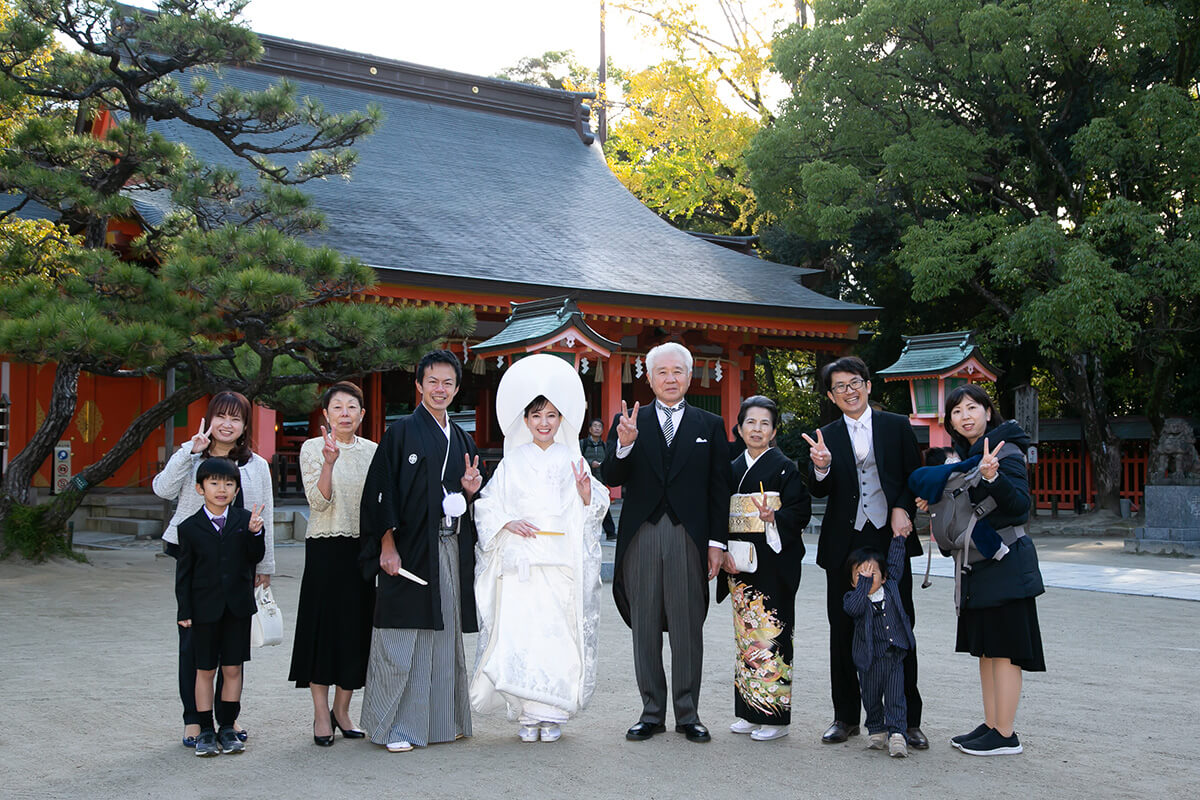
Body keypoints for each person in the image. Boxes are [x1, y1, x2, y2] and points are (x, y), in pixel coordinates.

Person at [471, 354, 608, 743]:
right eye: (536, 416)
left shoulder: (572, 458)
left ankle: (553, 713)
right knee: (523, 636)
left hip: (560, 563)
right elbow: (488, 503)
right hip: (522, 563)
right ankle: (527, 715)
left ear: (561, 419)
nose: (544, 423)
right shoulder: (513, 461)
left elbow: (594, 506)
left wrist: (585, 495)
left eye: (550, 415)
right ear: (525, 421)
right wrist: (506, 522)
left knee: (556, 636)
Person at [602, 342, 731, 743]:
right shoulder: (629, 420)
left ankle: (688, 712)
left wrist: (716, 542)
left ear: (690, 377)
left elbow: (719, 489)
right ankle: (651, 711)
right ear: (649, 377)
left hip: (688, 536)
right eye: (662, 372)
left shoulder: (709, 425)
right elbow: (611, 475)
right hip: (642, 532)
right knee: (644, 624)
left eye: (678, 371)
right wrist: (624, 443)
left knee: (687, 624)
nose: (670, 378)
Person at [358, 350, 484, 753]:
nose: (440, 389)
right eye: (433, 381)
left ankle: (439, 722)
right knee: (401, 636)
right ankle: (393, 726)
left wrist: (469, 490)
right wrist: (387, 545)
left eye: (448, 383)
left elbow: (467, 497)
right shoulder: (400, 433)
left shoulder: (462, 437)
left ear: (457, 388)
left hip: (447, 546)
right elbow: (380, 493)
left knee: (443, 636)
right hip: (408, 551)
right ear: (419, 385)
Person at [801, 356, 926, 749]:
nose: (849, 391)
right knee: (842, 628)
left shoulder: (895, 426)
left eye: (855, 382)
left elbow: (913, 475)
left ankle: (908, 720)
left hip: (889, 535)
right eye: (840, 386)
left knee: (900, 627)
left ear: (868, 386)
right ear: (831, 396)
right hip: (844, 540)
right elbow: (819, 490)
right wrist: (820, 467)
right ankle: (845, 717)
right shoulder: (826, 434)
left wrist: (903, 506)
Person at [914, 384, 1044, 757]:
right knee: (987, 649)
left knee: (1004, 650)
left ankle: (1005, 733)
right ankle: (991, 723)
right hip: (979, 564)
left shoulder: (1009, 451)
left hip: (1006, 562)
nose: (965, 416)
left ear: (988, 411)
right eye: (956, 412)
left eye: (972, 407)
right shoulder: (968, 458)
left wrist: (992, 478)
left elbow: (1019, 507)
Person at [154, 390, 275, 748]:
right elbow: (162, 490)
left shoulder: (256, 465)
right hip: (195, 553)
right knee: (194, 644)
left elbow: (263, 513)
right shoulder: (193, 459)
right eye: (221, 416)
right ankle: (194, 720)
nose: (227, 424)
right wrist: (188, 450)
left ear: (244, 426)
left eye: (235, 418)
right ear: (210, 419)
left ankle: (228, 720)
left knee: (232, 647)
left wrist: (265, 565)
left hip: (240, 557)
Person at [289, 382, 378, 747]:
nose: (344, 413)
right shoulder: (313, 448)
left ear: (362, 414)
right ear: (325, 414)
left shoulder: (374, 451)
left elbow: (381, 501)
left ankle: (344, 710)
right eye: (337, 407)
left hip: (361, 550)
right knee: (322, 628)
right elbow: (319, 502)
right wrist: (328, 463)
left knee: (355, 629)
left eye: (351, 407)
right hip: (326, 549)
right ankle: (321, 713)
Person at [718, 396, 811, 742]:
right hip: (738, 563)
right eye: (750, 423)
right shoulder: (729, 466)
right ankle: (747, 710)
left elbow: (800, 509)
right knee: (745, 639)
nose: (757, 430)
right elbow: (719, 510)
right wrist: (722, 547)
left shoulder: (784, 467)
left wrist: (776, 518)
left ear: (774, 431)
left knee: (771, 636)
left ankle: (774, 716)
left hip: (773, 561)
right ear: (739, 428)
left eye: (765, 424)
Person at [175, 458, 267, 757]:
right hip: (202, 610)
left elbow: (254, 557)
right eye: (213, 483)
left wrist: (255, 533)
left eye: (228, 484)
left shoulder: (244, 520)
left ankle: (227, 727)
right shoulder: (189, 528)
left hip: (237, 608)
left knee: (232, 668)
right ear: (200, 488)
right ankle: (204, 729)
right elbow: (184, 574)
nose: (221, 489)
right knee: (205, 669)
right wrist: (184, 612)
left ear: (237, 489)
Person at [842, 533, 917, 759]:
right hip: (869, 659)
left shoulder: (892, 587)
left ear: (883, 577)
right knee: (871, 697)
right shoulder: (853, 598)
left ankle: (897, 734)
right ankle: (876, 730)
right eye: (860, 574)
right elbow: (853, 609)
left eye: (872, 573)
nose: (867, 576)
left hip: (894, 655)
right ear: (853, 581)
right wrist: (863, 586)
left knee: (896, 697)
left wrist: (898, 540)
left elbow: (894, 562)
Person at [580, 418, 616, 539]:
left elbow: (608, 462)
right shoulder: (582, 444)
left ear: (602, 430)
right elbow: (577, 459)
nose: (596, 428)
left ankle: (610, 533)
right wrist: (590, 463)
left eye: (599, 427)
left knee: (603, 505)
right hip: (584, 482)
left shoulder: (605, 446)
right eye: (594, 426)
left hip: (599, 482)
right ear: (590, 429)